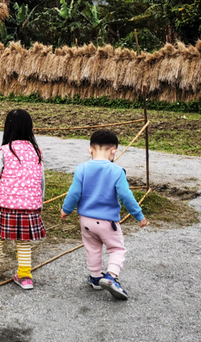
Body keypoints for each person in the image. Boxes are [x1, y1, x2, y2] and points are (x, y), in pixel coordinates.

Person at [60, 129, 148, 300]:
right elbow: (126, 196)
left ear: (90, 150)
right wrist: (139, 215)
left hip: (86, 220)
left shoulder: (81, 168)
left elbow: (74, 193)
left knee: (92, 248)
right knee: (117, 249)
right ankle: (111, 276)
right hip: (108, 222)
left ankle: (95, 277)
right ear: (114, 151)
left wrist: (66, 210)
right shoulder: (117, 171)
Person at [0, 109, 45, 289]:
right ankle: (25, 277)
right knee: (24, 241)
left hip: (7, 206)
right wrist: (40, 202)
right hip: (30, 207)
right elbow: (41, 180)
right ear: (29, 128)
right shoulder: (36, 151)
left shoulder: (5, 151)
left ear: (8, 128)